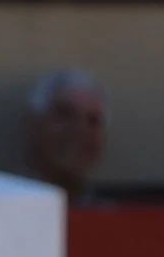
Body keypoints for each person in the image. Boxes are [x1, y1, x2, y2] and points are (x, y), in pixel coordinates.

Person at [22, 70, 107, 205]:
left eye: (92, 120)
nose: (80, 130)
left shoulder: (109, 215)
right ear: (33, 125)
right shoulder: (0, 206)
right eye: (65, 115)